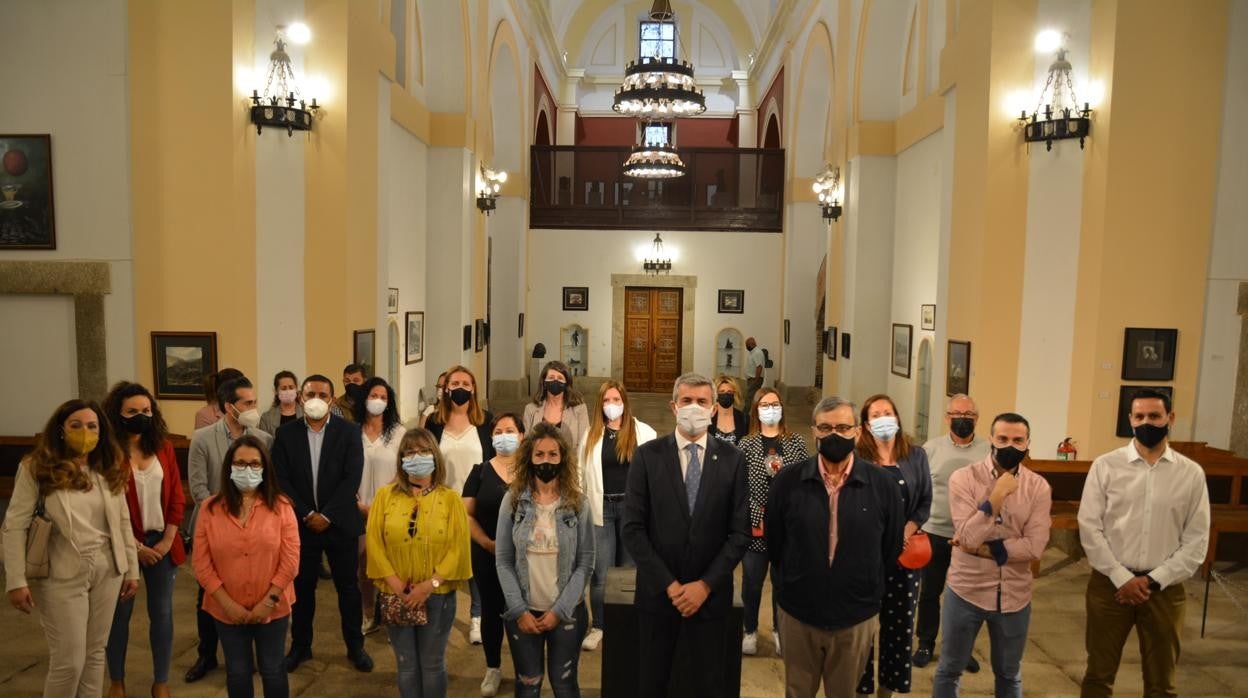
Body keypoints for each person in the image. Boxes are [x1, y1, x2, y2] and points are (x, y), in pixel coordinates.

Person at [764, 396, 904, 698]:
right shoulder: (788, 481)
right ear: (814, 431)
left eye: (842, 427)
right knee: (797, 691)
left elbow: (890, 548)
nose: (834, 435)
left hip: (855, 616)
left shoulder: (882, 485)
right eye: (826, 427)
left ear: (857, 431)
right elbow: (774, 544)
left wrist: (865, 588)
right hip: (799, 613)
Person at [622, 372, 749, 696]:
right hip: (659, 596)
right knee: (653, 682)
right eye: (687, 401)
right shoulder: (647, 456)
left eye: (702, 402)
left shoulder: (733, 460)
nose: (694, 407)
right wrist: (671, 585)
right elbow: (633, 529)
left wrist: (704, 585)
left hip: (710, 599)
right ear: (674, 406)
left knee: (707, 684)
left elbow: (739, 533)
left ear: (713, 408)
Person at [2, 399, 140, 698]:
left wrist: (131, 567)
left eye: (92, 426)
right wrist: (15, 579)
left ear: (101, 431)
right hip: (61, 571)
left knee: (94, 655)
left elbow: (123, 521)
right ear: (61, 430)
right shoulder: (37, 467)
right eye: (76, 425)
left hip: (107, 568)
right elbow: (14, 525)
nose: (85, 431)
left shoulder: (108, 466)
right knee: (69, 661)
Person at [1077, 389, 1210, 697]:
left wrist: (1152, 580)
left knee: (1162, 682)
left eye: (1154, 416)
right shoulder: (1106, 466)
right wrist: (1122, 578)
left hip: (1165, 589)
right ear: (1130, 420)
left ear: (1170, 418)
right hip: (1109, 585)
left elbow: (1196, 539)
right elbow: (1090, 527)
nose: (1146, 422)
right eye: (1139, 417)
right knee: (1098, 675)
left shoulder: (1190, 474)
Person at [932, 413, 1051, 698]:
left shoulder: (1038, 487)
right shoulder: (964, 478)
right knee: (949, 669)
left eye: (1017, 440)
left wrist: (989, 549)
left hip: (1014, 595)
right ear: (991, 440)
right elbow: (968, 536)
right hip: (966, 591)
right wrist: (997, 495)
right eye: (1003, 439)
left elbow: (1034, 547)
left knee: (1009, 674)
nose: (1010, 445)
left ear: (1027, 444)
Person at [273, 374, 373, 673]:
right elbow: (282, 479)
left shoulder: (349, 431)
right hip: (301, 525)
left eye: (323, 393)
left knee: (348, 590)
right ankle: (301, 647)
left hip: (340, 523)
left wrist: (327, 514)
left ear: (332, 399)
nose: (316, 398)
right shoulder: (286, 434)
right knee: (302, 590)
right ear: (302, 397)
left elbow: (351, 478)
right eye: (310, 392)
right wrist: (307, 514)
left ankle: (355, 646)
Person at [366, 429, 473, 698]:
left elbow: (458, 548)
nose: (417, 457)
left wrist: (430, 584)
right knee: (407, 666)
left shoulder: (451, 500)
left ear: (435, 457)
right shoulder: (384, 497)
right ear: (401, 459)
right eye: (410, 452)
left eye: (423, 451)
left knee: (432, 664)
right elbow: (375, 544)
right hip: (396, 594)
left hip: (437, 596)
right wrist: (395, 584)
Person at [193, 435, 299, 698]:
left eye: (254, 463)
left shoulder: (282, 506)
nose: (247, 469)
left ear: (265, 467)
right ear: (230, 467)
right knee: (237, 671)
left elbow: (290, 559)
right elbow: (201, 563)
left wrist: (269, 601)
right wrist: (228, 604)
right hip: (226, 608)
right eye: (240, 463)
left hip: (273, 606)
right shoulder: (210, 508)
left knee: (273, 669)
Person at [496, 422, 596, 697]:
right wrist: (518, 609)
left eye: (553, 454)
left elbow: (586, 562)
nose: (546, 461)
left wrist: (559, 610)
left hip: (566, 612)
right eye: (539, 454)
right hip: (523, 611)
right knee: (528, 684)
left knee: (564, 684)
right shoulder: (513, 501)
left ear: (563, 458)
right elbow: (503, 559)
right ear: (529, 457)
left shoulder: (578, 504)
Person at [185, 375, 274, 683]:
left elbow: (268, 486)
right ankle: (206, 654)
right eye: (247, 403)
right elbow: (198, 488)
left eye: (254, 401)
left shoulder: (263, 439)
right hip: (214, 529)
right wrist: (225, 516)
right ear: (229, 407)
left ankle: (251, 654)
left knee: (253, 588)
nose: (253, 408)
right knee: (209, 593)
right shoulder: (202, 438)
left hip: (255, 526)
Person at [102, 382, 186, 698]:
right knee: (119, 616)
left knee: (162, 614)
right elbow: (107, 507)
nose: (141, 416)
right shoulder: (107, 451)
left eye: (147, 410)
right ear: (117, 415)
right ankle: (117, 680)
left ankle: (160, 680)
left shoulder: (162, 446)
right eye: (133, 411)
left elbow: (177, 495)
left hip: (163, 541)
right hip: (124, 546)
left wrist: (166, 541)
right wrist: (135, 548)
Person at [850, 395, 932, 695]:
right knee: (862, 629)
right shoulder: (856, 457)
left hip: (904, 556)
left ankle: (887, 690)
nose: (883, 417)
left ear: (897, 418)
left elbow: (924, 502)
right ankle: (860, 688)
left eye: (888, 412)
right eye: (876, 414)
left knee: (898, 630)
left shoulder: (916, 455)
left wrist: (906, 531)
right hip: (866, 557)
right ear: (866, 425)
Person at [580, 380, 657, 651]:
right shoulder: (590, 435)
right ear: (599, 405)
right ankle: (600, 625)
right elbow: (580, 476)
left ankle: (626, 623)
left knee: (628, 572)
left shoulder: (644, 433)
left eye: (616, 399)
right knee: (601, 573)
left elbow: (654, 474)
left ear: (624, 401)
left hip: (631, 509)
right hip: (601, 509)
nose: (611, 405)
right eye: (606, 401)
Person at [914, 394, 989, 671]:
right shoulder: (929, 450)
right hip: (934, 530)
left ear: (976, 419)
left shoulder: (988, 450)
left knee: (968, 596)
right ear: (947, 417)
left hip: (972, 538)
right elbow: (918, 489)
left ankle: (961, 649)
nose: (963, 419)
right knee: (929, 592)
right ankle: (925, 642)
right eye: (957, 414)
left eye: (969, 415)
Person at [424, 364, 495, 643]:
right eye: (455, 383)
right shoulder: (434, 422)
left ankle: (476, 617)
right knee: (442, 564)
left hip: (474, 504)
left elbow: (492, 461)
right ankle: (438, 615)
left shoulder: (485, 421)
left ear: (474, 388)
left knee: (475, 565)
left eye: (466, 383)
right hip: (441, 503)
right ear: (446, 388)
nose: (461, 388)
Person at [736, 387, 809, 657]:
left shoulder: (796, 442)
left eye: (775, 404)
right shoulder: (745, 444)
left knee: (783, 582)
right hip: (756, 522)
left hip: (788, 524)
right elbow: (739, 486)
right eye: (764, 405)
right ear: (756, 410)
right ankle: (749, 630)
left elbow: (805, 481)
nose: (770, 409)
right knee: (752, 582)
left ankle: (780, 631)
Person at [463, 413, 525, 695]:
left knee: (521, 611)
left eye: (510, 430)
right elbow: (467, 515)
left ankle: (527, 668)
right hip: (487, 552)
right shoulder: (480, 471)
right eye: (498, 431)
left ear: (522, 436)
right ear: (491, 437)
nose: (504, 435)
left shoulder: (532, 471)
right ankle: (493, 668)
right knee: (491, 610)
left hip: (526, 557)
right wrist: (487, 543)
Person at [355, 376, 406, 635]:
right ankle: (368, 612)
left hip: (390, 509)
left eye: (383, 397)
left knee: (392, 565)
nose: (378, 401)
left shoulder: (398, 433)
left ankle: (391, 613)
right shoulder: (352, 431)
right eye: (373, 396)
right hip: (358, 508)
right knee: (364, 566)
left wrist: (380, 507)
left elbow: (403, 471)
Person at [522, 360, 590, 457]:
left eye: (560, 378)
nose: (555, 381)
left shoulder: (579, 410)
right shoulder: (530, 409)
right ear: (544, 382)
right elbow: (525, 444)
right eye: (551, 377)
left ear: (566, 383)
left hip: (570, 467)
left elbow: (584, 445)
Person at [708, 375, 749, 447]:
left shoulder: (744, 418)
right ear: (716, 394)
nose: (726, 395)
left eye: (729, 392)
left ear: (735, 394)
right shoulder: (708, 417)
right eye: (722, 392)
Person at [259, 370, 303, 436]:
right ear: (276, 391)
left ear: (296, 389)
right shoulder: (266, 418)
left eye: (291, 387)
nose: (288, 391)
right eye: (284, 388)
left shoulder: (306, 414)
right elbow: (263, 444)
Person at [744, 337, 766, 408]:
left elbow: (759, 367)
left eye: (746, 345)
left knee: (749, 398)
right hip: (752, 379)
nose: (746, 347)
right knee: (750, 397)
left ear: (751, 344)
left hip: (755, 379)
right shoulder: (752, 352)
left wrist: (756, 380)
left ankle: (745, 415)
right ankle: (750, 414)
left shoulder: (757, 353)